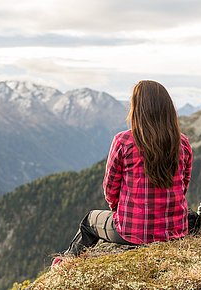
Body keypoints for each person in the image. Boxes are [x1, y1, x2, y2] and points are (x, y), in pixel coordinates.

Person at [52, 80, 193, 266]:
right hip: (174, 230)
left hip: (132, 232)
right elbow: (183, 184)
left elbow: (110, 188)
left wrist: (119, 211)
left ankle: (65, 263)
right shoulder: (182, 143)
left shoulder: (123, 141)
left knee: (89, 221)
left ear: (137, 109)